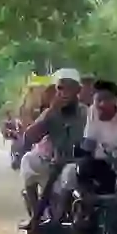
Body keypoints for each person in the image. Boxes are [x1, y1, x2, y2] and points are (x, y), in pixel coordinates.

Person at [20, 68, 89, 224]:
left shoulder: (86, 113)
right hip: (53, 162)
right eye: (60, 88)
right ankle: (35, 214)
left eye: (69, 88)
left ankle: (58, 219)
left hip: (75, 163)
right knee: (28, 161)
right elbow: (30, 137)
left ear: (77, 91)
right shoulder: (51, 113)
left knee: (69, 173)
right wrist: (51, 111)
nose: (64, 92)